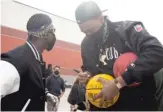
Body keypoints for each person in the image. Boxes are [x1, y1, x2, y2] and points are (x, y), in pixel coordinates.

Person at [75, 1, 163, 111]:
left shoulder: (126, 30)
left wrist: (119, 82)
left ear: (101, 19)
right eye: (84, 32)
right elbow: (88, 67)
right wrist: (86, 75)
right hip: (104, 106)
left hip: (137, 104)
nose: (88, 34)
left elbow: (157, 52)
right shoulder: (86, 44)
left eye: (91, 30)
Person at [0, 13, 57, 111]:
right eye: (52, 31)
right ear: (44, 34)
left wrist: (45, 94)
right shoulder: (15, 61)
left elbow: (30, 85)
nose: (54, 36)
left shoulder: (37, 58)